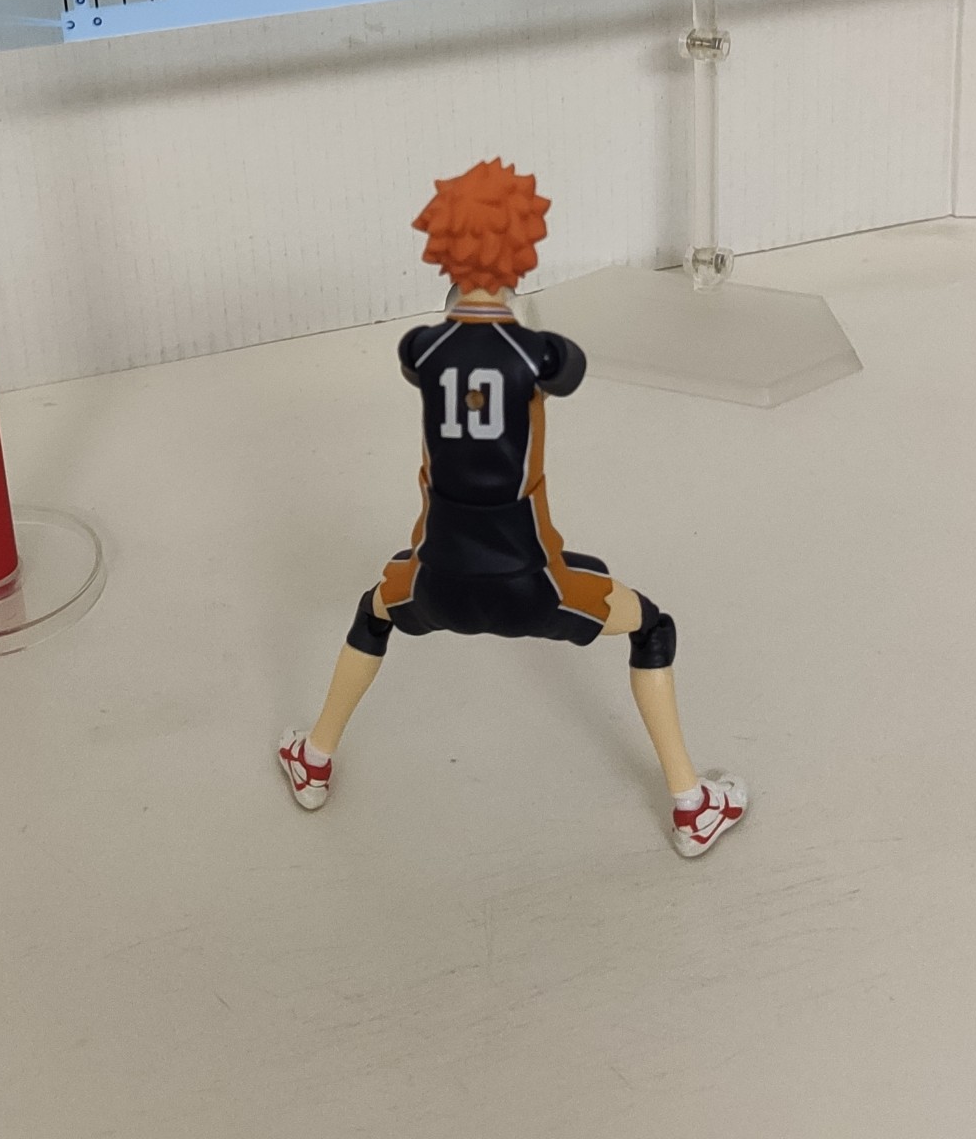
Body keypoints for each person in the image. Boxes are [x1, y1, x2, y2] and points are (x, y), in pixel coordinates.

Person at [279, 159, 747, 859]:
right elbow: (566, 368)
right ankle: (692, 805)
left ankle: (314, 759)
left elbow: (444, 348)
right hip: (532, 587)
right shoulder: (541, 356)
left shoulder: (420, 350)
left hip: (435, 581)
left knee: (374, 610)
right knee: (652, 626)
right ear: (520, 252)